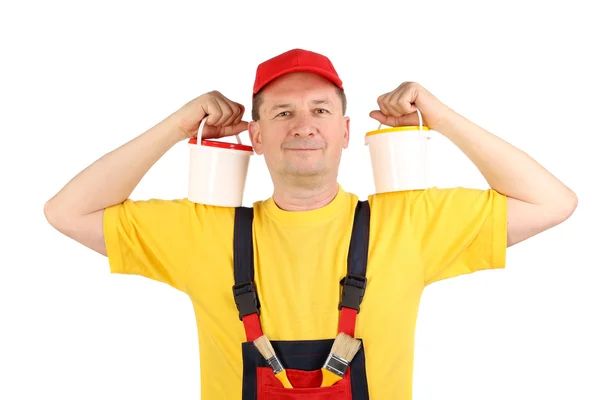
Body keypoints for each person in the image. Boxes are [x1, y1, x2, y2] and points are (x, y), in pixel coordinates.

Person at [44, 48, 578, 399]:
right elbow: (66, 213)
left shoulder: (410, 222)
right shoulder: (200, 232)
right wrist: (177, 126)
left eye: (321, 111)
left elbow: (552, 202)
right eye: (282, 113)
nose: (304, 126)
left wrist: (437, 115)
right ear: (254, 137)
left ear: (346, 132)